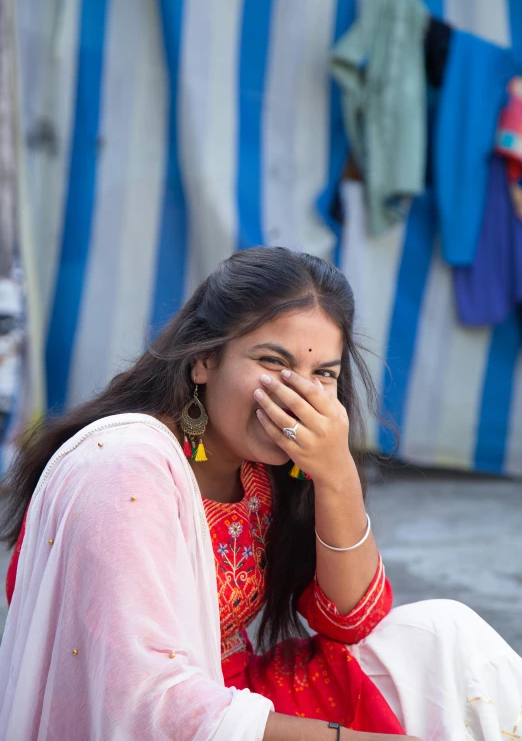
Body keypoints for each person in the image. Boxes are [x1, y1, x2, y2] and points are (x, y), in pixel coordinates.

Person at [0, 246, 521, 741]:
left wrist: (335, 473)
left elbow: (353, 621)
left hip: (236, 698)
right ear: (203, 360)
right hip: (164, 722)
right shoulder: (126, 470)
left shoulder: (264, 470)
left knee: (443, 636)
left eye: (323, 374)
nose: (297, 395)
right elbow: (141, 704)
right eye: (273, 362)